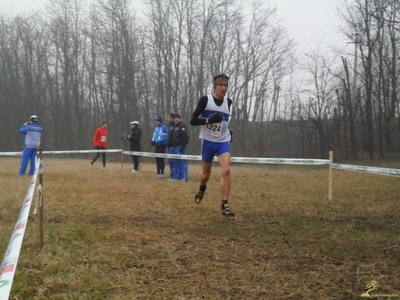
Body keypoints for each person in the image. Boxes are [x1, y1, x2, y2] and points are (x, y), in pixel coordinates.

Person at [190, 73, 234, 216]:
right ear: (215, 86)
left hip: (222, 142)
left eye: (226, 85)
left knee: (226, 170)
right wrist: (208, 121)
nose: (223, 88)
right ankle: (202, 188)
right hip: (208, 143)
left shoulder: (229, 102)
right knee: (205, 175)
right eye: (221, 85)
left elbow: (224, 121)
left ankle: (224, 205)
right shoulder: (205, 100)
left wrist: (229, 131)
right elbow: (193, 120)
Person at [170, 114, 189, 181]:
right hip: (174, 146)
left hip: (181, 146)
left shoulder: (182, 126)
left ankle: (184, 177)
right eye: (175, 118)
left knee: (182, 161)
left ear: (180, 119)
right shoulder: (174, 126)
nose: (176, 119)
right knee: (176, 162)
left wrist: (182, 145)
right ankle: (177, 177)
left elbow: (186, 137)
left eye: (177, 118)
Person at [166, 112, 176, 179]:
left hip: (173, 146)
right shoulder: (170, 126)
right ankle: (172, 175)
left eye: (169, 117)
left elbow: (174, 137)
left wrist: (170, 142)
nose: (167, 118)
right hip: (169, 146)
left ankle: (174, 175)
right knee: (170, 162)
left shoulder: (175, 126)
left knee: (174, 161)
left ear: (172, 118)